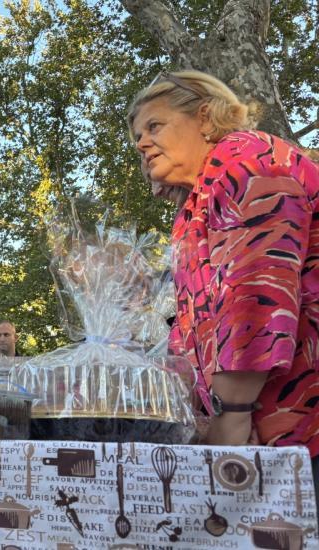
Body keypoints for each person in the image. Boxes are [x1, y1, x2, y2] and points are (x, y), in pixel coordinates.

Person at [127, 70, 319, 494]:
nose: (141, 144)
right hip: (267, 429)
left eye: (154, 126)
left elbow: (256, 293)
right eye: (137, 137)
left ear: (206, 116)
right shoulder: (194, 208)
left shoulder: (247, 159)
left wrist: (232, 411)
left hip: (300, 427)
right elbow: (191, 326)